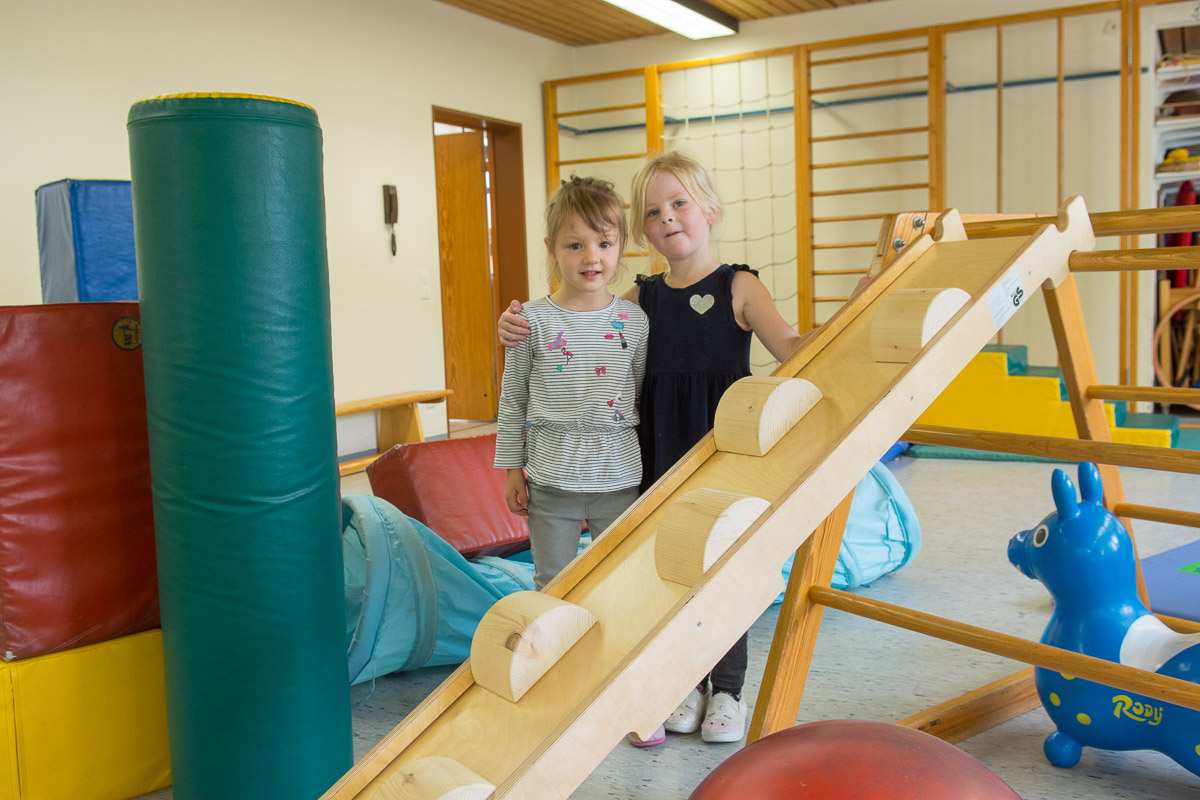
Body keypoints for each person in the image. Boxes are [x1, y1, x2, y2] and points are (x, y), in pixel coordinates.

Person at [498, 152, 810, 745]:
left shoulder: (739, 286)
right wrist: (517, 325)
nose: (666, 217)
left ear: (709, 210)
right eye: (652, 211)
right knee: (667, 576)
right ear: (640, 233)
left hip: (722, 455)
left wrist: (860, 309)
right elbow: (585, 328)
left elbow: (793, 347)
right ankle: (681, 681)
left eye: (679, 203)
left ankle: (728, 689)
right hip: (658, 460)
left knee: (722, 569)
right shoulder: (641, 303)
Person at [493, 174, 649, 595]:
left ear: (620, 246)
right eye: (575, 245)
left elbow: (636, 394)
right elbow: (513, 399)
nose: (591, 257)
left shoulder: (635, 321)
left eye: (604, 243)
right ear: (552, 248)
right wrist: (512, 469)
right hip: (550, 479)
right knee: (552, 584)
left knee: (618, 582)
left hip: (618, 478)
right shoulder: (529, 320)